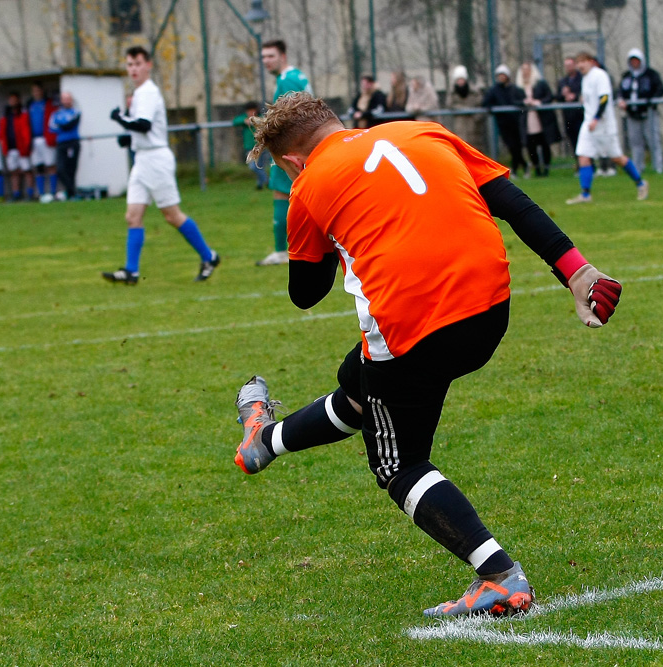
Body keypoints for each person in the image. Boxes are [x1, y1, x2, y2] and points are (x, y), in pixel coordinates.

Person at [234, 91, 623, 618]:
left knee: (398, 462)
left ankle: (499, 577)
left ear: (294, 161)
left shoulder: (308, 184)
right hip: (488, 310)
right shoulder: (420, 130)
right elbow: (512, 202)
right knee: (359, 384)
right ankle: (265, 442)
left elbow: (306, 293)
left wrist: (323, 225)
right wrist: (575, 271)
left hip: (412, 329)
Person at [105, 45, 220, 284]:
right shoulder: (138, 94)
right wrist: (129, 137)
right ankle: (131, 271)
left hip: (156, 160)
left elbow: (144, 125)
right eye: (130, 64)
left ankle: (209, 256)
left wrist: (120, 119)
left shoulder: (148, 91)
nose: (133, 69)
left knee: (171, 215)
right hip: (142, 159)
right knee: (132, 216)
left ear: (148, 65)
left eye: (138, 63)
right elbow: (144, 128)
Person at [256, 39, 312, 267]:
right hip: (302, 146)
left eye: (271, 56)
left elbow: (292, 116)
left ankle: (282, 251)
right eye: (264, 57)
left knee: (282, 195)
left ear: (283, 56)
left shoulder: (287, 80)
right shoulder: (296, 76)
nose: (266, 61)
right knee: (306, 196)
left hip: (292, 148)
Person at [567, 52, 648, 204]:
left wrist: (596, 118)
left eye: (583, 61)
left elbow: (604, 98)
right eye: (578, 62)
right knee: (583, 156)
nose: (580, 65)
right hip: (589, 124)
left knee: (616, 157)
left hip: (603, 125)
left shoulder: (600, 75)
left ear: (591, 62)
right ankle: (585, 194)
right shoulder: (585, 78)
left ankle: (641, 183)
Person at [618, 48, 663, 174]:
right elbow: (621, 92)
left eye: (636, 60)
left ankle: (658, 167)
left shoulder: (651, 75)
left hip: (648, 113)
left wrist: (651, 100)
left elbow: (660, 89)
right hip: (632, 114)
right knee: (636, 143)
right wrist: (621, 100)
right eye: (632, 60)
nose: (634, 63)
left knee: (653, 141)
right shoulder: (626, 77)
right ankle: (638, 167)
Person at [516, 62, 561, 177]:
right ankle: (536, 169)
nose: (525, 72)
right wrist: (523, 102)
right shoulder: (518, 87)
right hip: (527, 120)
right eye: (523, 69)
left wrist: (539, 102)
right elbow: (513, 100)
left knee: (545, 144)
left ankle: (546, 168)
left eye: (528, 69)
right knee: (531, 146)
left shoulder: (541, 84)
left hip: (541, 119)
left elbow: (549, 96)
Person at [482, 64, 528, 178]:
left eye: (503, 75)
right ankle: (522, 167)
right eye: (499, 75)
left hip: (515, 122)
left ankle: (519, 168)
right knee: (512, 146)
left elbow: (521, 100)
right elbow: (486, 102)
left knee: (517, 146)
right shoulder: (494, 90)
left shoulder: (514, 89)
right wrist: (492, 108)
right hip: (503, 123)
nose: (501, 77)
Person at [0, 92, 33, 202]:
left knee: (27, 170)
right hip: (10, 148)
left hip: (22, 147)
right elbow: (1, 133)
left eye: (14, 100)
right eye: (10, 100)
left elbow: (26, 131)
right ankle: (16, 194)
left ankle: (30, 194)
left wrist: (27, 145)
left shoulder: (23, 114)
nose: (12, 102)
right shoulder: (6, 116)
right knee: (14, 172)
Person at [28, 83, 59, 202]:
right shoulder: (30, 105)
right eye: (34, 91)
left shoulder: (48, 104)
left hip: (46, 138)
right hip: (34, 139)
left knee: (50, 164)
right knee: (38, 166)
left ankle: (53, 192)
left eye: (38, 91)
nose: (36, 93)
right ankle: (41, 193)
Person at [50, 91, 81, 201]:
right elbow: (52, 127)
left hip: (72, 142)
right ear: (62, 100)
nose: (67, 101)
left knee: (71, 169)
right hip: (61, 143)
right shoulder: (56, 113)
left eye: (68, 98)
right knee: (60, 169)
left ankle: (71, 194)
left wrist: (62, 125)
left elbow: (70, 125)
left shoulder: (76, 112)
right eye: (65, 99)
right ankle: (72, 191)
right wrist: (64, 126)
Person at [446, 65, 486, 151]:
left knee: (475, 147)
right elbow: (449, 104)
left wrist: (476, 117)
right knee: (461, 145)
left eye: (462, 79)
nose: (460, 82)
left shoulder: (474, 91)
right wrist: (462, 108)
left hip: (473, 124)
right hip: (460, 123)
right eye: (458, 80)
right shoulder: (453, 93)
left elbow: (480, 103)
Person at [232, 101, 268, 189]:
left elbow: (265, 122)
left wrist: (256, 121)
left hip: (261, 146)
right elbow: (235, 121)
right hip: (250, 147)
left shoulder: (260, 118)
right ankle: (264, 182)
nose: (250, 113)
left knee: (258, 166)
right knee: (253, 166)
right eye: (248, 111)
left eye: (252, 110)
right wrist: (245, 121)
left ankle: (263, 183)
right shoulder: (245, 118)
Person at [556, 57, 584, 161]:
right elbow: (557, 97)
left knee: (583, 143)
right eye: (566, 65)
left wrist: (575, 96)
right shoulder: (563, 81)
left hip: (580, 116)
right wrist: (563, 95)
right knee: (573, 142)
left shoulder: (581, 79)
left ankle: (589, 165)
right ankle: (578, 165)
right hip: (568, 117)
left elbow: (584, 93)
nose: (568, 67)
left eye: (570, 65)